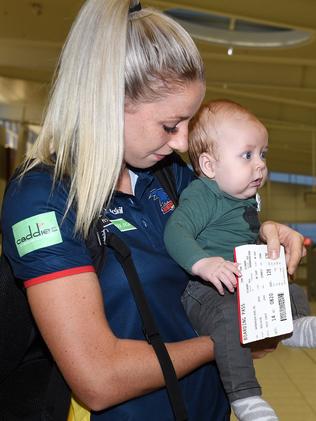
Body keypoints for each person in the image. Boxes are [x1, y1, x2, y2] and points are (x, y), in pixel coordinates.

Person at [0, 1, 305, 420]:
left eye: (189, 122)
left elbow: (220, 233)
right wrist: (227, 340)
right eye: (169, 125)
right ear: (108, 101)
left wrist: (266, 230)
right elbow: (98, 379)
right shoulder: (44, 198)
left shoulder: (169, 176)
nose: (183, 143)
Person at [164, 99, 316, 421]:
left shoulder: (242, 199)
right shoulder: (203, 195)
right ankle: (246, 397)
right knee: (229, 322)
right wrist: (204, 264)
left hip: (241, 282)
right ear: (209, 166)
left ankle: (295, 326)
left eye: (263, 154)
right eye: (247, 155)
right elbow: (176, 232)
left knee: (292, 292)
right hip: (205, 290)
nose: (260, 165)